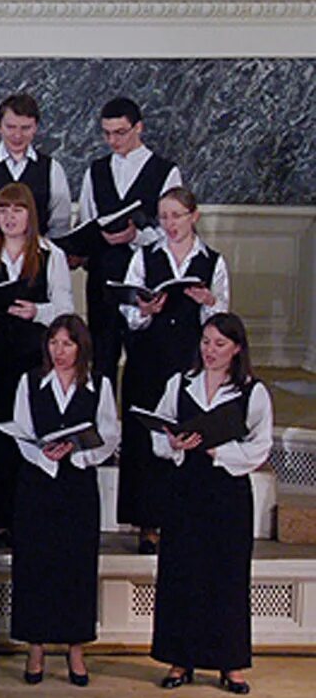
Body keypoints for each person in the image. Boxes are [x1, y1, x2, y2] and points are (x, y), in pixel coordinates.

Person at [148, 314, 273, 695]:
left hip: (227, 492)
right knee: (182, 571)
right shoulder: (179, 383)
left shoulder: (252, 391)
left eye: (219, 344)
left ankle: (230, 664)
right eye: (205, 342)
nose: (210, 351)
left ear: (237, 348)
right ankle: (179, 659)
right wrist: (173, 444)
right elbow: (158, 432)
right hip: (186, 488)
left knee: (226, 576)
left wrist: (219, 449)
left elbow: (260, 446)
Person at [0, 183, 75, 549]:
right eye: (3, 211)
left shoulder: (49, 254)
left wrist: (37, 311)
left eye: (17, 210)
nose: (10, 218)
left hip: (29, 359)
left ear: (30, 214)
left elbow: (65, 307)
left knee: (25, 431)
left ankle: (23, 511)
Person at [118, 187, 230, 554]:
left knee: (188, 434)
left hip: (190, 363)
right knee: (147, 438)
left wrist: (208, 303)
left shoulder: (212, 261)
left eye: (177, 216)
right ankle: (147, 523)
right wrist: (145, 311)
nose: (170, 224)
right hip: (149, 361)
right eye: (164, 217)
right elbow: (130, 313)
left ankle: (185, 518)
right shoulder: (145, 257)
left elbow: (222, 321)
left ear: (193, 216)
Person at [8, 314, 117, 686]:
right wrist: (45, 454)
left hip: (77, 486)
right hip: (37, 485)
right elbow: (21, 431)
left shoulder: (98, 384)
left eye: (67, 343)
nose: (59, 351)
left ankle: (76, 649)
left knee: (76, 565)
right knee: (36, 563)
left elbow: (110, 434)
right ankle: (35, 647)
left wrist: (77, 454)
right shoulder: (31, 381)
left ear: (80, 346)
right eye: (53, 343)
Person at [69, 96, 183, 399]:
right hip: (103, 278)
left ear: (139, 127)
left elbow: (173, 230)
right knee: (101, 359)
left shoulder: (165, 171)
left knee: (143, 359)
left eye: (120, 132)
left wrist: (136, 236)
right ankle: (103, 436)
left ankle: (137, 439)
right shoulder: (96, 170)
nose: (112, 140)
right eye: (106, 133)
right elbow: (87, 219)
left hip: (144, 279)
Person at [0, 93, 73, 255]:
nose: (17, 135)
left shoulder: (52, 169)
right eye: (10, 127)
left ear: (36, 128)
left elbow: (60, 224)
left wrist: (43, 256)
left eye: (25, 128)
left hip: (38, 263)